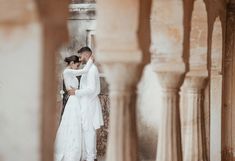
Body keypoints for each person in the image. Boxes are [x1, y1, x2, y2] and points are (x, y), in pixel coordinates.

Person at [54, 54, 93, 161]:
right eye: (77, 65)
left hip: (76, 98)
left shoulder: (70, 72)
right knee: (73, 123)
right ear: (71, 63)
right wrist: (90, 61)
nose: (78, 67)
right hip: (74, 100)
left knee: (76, 123)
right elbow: (84, 71)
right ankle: (70, 152)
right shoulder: (67, 71)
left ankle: (77, 150)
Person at [68, 47, 104, 161]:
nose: (80, 58)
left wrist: (76, 92)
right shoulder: (87, 68)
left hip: (89, 104)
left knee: (89, 131)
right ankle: (89, 156)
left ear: (86, 55)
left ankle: (91, 158)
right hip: (85, 103)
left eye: (81, 56)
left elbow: (92, 89)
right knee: (86, 129)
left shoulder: (92, 69)